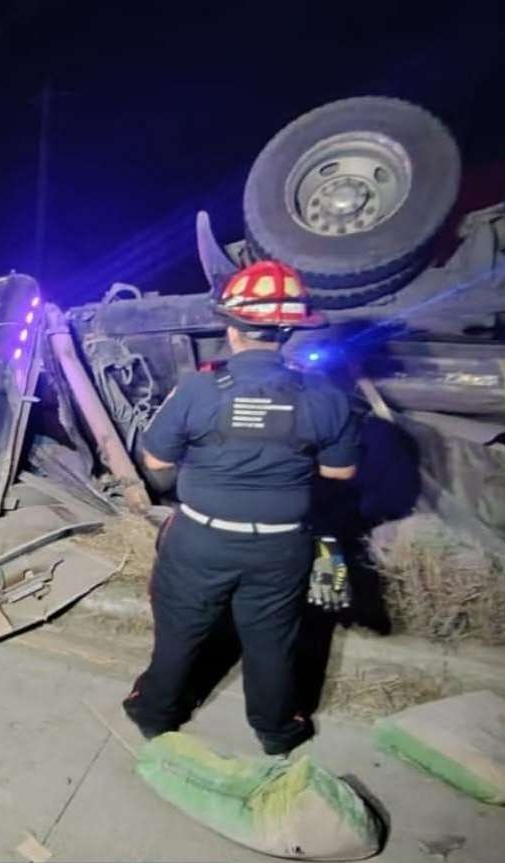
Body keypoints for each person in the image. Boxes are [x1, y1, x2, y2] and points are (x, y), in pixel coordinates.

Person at [122, 260, 360, 756]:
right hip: (281, 545)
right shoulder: (326, 396)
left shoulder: (200, 389)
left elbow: (155, 458)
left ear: (232, 328)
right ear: (289, 330)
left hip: (201, 540)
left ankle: (153, 716)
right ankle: (277, 731)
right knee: (272, 641)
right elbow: (340, 474)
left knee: (181, 633)